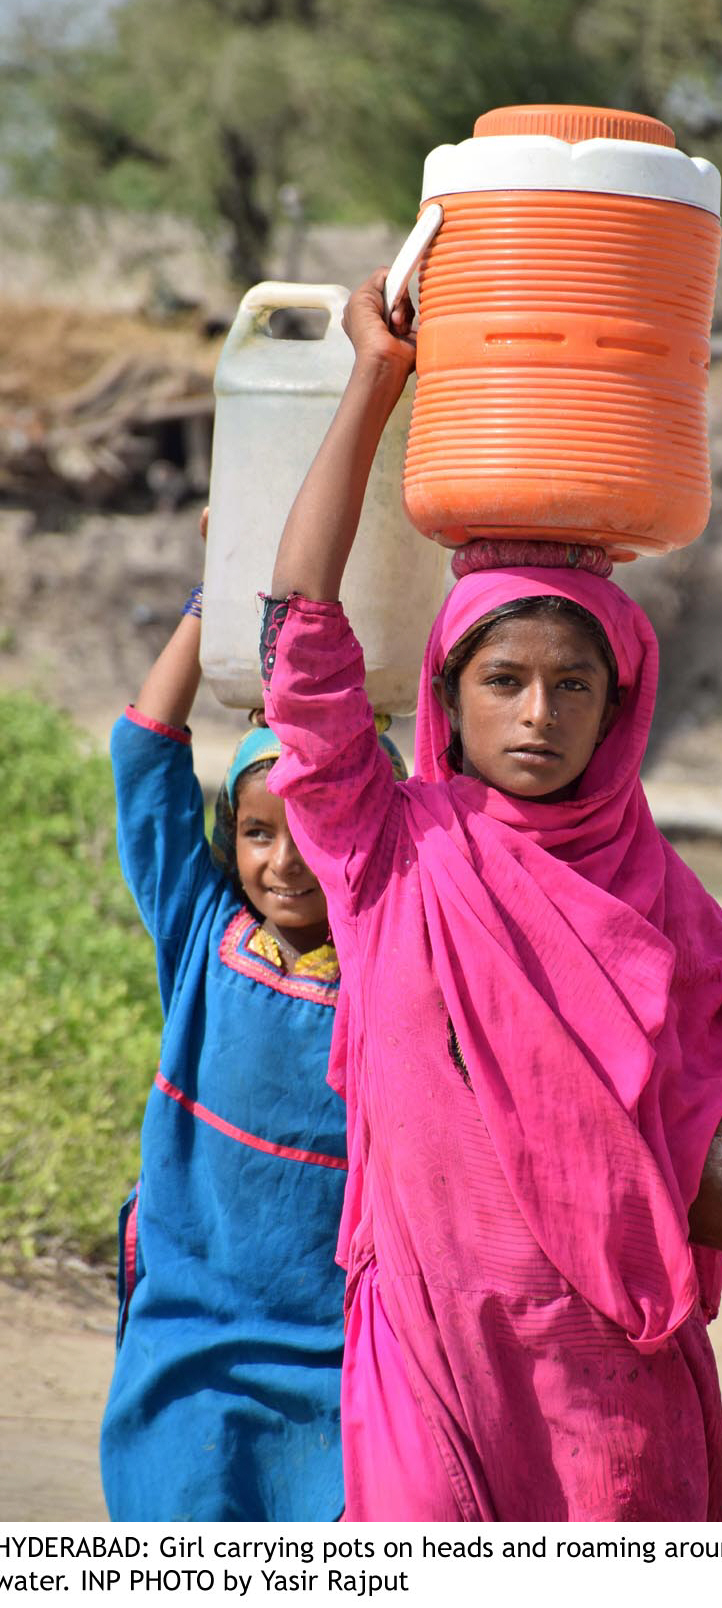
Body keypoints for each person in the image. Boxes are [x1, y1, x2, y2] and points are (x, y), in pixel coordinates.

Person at [261, 271, 722, 1522]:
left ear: (622, 707)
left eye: (574, 685)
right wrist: (374, 379)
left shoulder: (658, 893)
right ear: (446, 695)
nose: (538, 714)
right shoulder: (385, 846)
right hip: (431, 1346)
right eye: (502, 678)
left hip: (608, 1370)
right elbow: (301, 633)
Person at [100, 515, 404, 1521]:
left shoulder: (398, 965)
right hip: (187, 1326)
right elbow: (144, 759)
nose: (282, 861)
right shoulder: (202, 935)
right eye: (256, 830)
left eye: (317, 830)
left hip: (336, 1345)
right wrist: (209, 594)